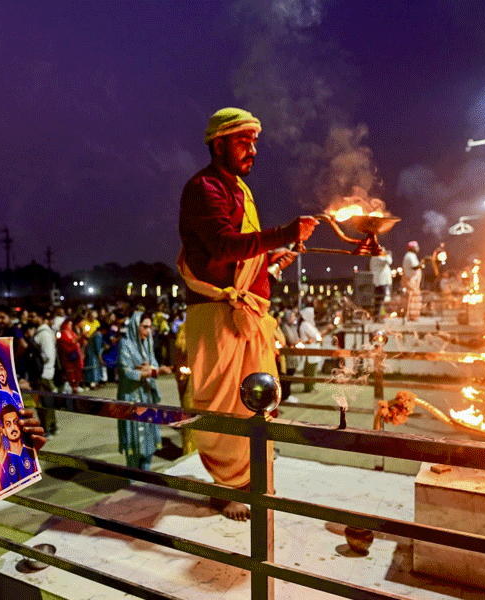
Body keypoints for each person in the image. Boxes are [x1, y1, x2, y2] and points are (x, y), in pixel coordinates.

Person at [177, 107, 317, 520]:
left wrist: (271, 259)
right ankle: (228, 488)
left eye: (254, 143)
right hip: (217, 316)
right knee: (224, 406)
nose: (252, 150)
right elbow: (222, 247)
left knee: (258, 402)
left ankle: (251, 478)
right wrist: (284, 233)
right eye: (243, 142)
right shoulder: (203, 187)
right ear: (219, 144)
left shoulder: (239, 189)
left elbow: (240, 255)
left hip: (245, 316)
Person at [116, 311, 172, 470]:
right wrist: (152, 371)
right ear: (136, 326)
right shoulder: (125, 344)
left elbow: (153, 364)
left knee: (149, 440)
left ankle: (145, 477)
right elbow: (127, 372)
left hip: (147, 396)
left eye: (150, 327)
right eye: (144, 327)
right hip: (131, 397)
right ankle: (133, 479)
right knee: (134, 439)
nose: (148, 331)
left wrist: (148, 369)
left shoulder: (147, 344)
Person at [369, 248, 393, 320]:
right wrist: (388, 254)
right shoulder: (378, 257)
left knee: (379, 300)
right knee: (380, 300)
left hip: (380, 282)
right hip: (381, 282)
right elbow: (389, 261)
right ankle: (378, 317)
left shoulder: (375, 257)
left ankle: (378, 316)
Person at [402, 241, 423, 321]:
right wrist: (424, 261)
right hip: (411, 281)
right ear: (412, 248)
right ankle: (411, 316)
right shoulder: (409, 256)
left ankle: (413, 316)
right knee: (412, 298)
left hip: (414, 282)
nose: (418, 249)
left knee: (415, 298)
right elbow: (415, 267)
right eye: (416, 247)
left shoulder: (412, 256)